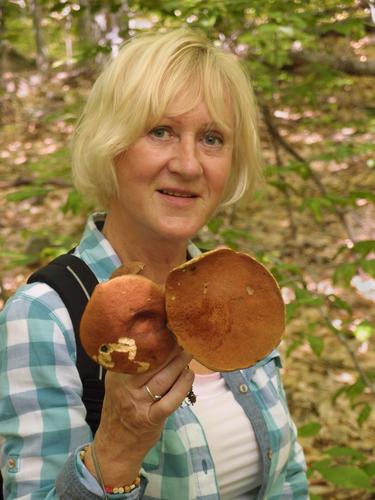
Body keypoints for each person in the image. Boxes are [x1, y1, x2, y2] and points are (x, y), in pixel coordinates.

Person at [0, 29, 308, 499]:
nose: (188, 164)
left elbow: (288, 479)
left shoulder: (236, 294)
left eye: (212, 138)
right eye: (160, 131)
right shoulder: (46, 317)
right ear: (112, 143)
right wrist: (119, 446)